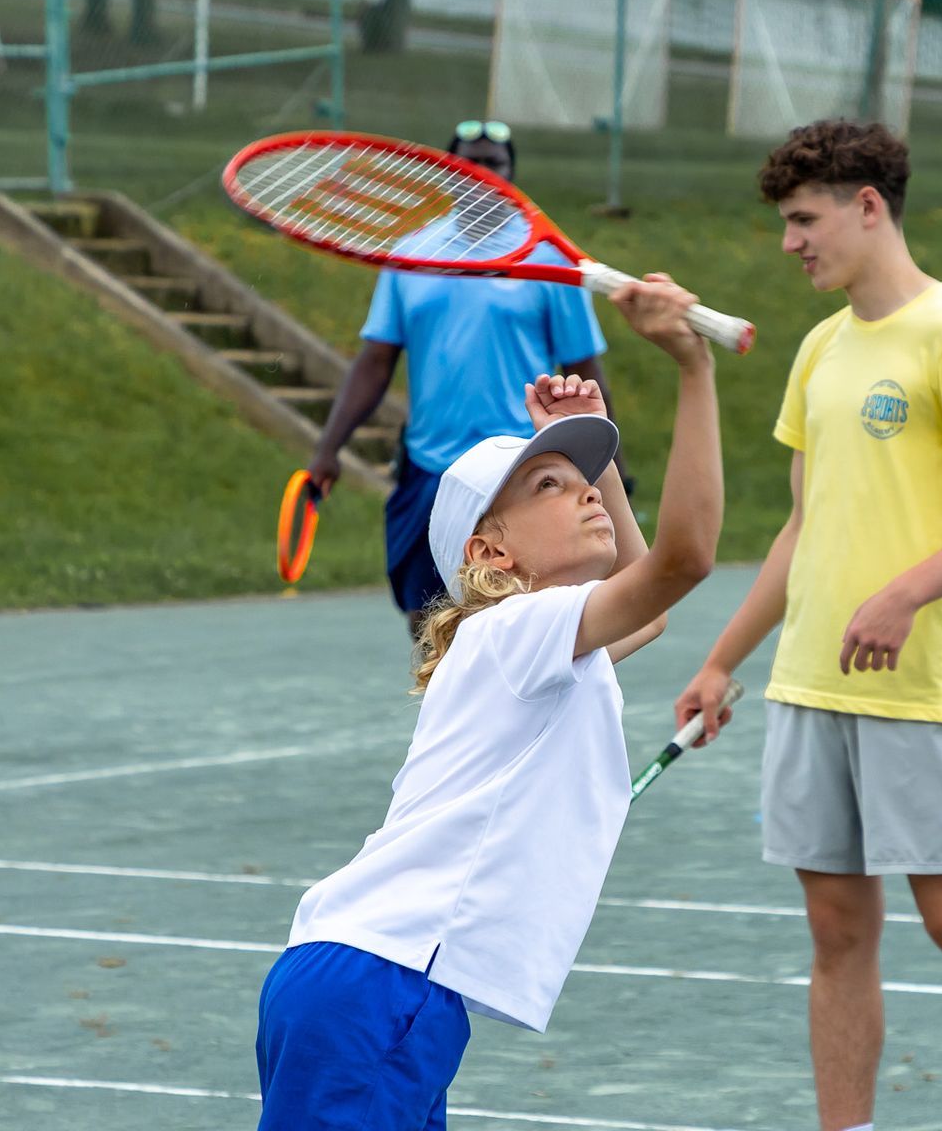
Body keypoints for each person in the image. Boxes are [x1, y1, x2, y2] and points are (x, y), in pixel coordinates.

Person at [674, 120, 942, 1131]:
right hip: (809, 684)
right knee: (834, 931)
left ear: (868, 206)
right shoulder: (819, 349)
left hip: (918, 687)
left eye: (804, 219)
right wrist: (723, 659)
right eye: (784, 223)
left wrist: (906, 593)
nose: (789, 242)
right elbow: (806, 525)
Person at [255, 276, 721, 1129]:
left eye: (583, 482)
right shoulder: (516, 631)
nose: (584, 493)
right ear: (491, 552)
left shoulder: (528, 647)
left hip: (388, 988)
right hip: (378, 982)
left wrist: (601, 464)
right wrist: (692, 369)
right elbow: (680, 564)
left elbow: (648, 611)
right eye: (549, 486)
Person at [305, 119, 628, 637]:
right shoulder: (412, 254)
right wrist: (328, 450)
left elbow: (586, 372)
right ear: (447, 172)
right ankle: (445, 715)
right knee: (429, 622)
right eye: (469, 162)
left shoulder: (547, 259)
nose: (482, 172)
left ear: (513, 173)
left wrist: (614, 467)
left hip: (518, 469)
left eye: (494, 163)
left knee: (525, 616)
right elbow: (374, 363)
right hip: (430, 467)